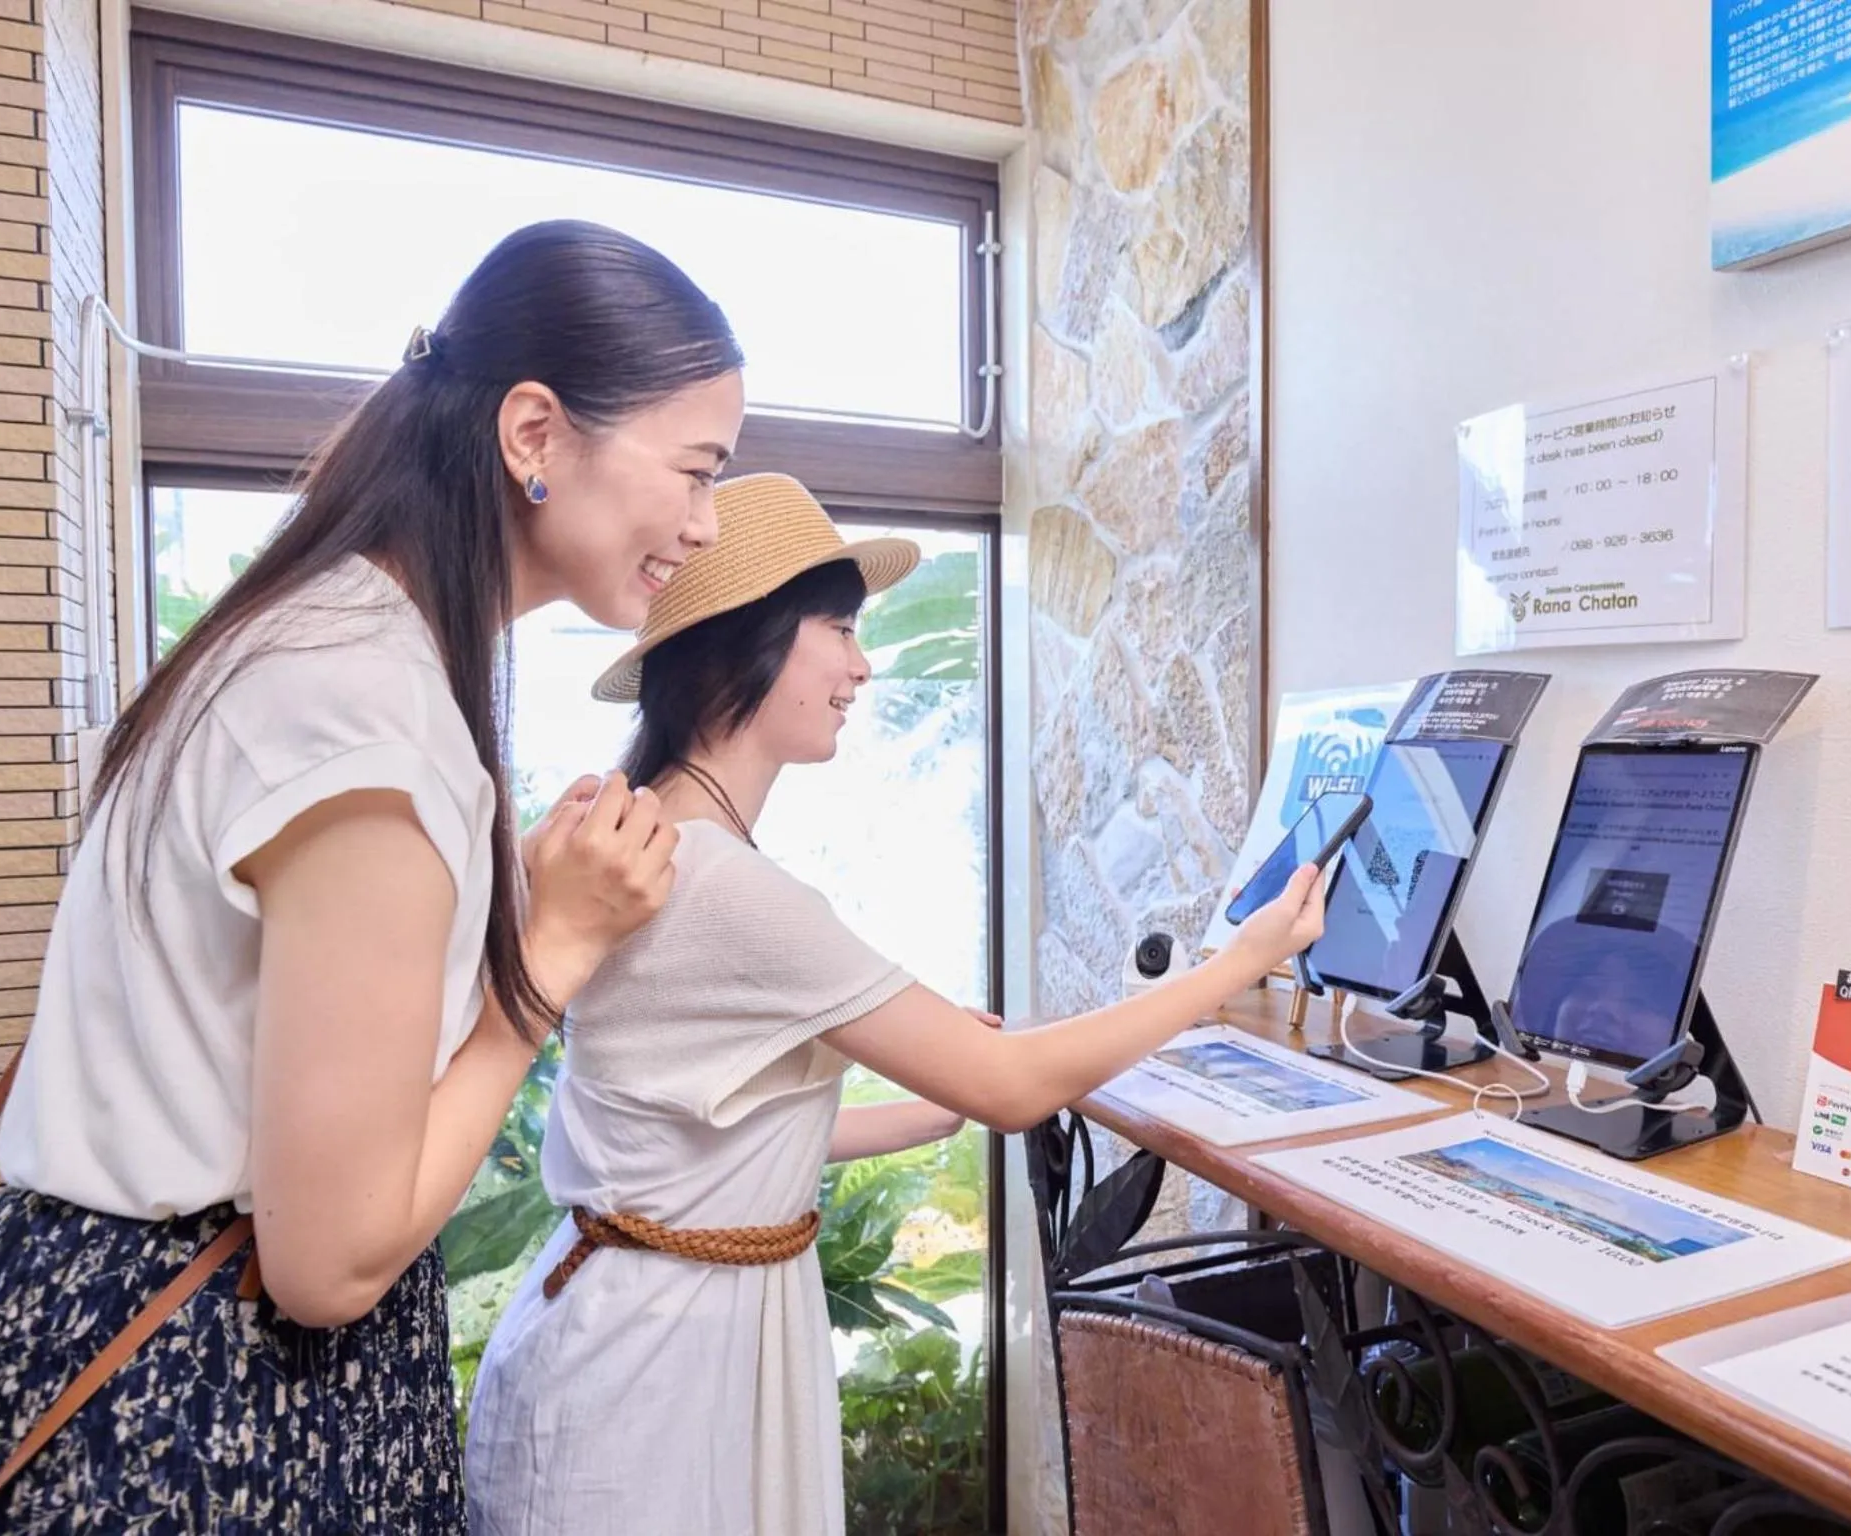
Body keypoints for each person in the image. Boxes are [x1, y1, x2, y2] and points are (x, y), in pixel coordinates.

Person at [0, 220, 746, 1533]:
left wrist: (485, 897)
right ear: (534, 435)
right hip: (211, 1411)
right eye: (694, 469)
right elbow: (328, 1262)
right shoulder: (368, 713)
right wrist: (550, 959)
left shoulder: (326, 639)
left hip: (125, 1335)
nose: (706, 521)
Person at [463, 473, 1327, 1536]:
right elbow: (1012, 1088)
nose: (861, 666)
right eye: (838, 628)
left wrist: (927, 1105)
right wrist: (1232, 968)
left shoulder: (648, 843)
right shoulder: (727, 886)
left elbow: (693, 1130)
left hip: (624, 1329)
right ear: (755, 642)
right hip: (654, 1372)